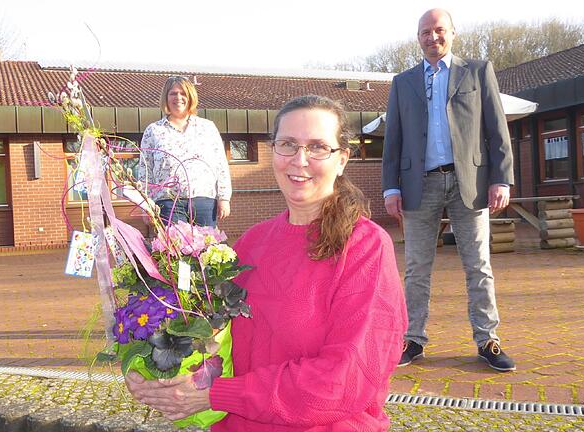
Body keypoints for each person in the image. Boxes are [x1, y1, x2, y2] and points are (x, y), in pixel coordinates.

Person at [126, 95, 408, 431]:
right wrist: (153, 371)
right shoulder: (251, 244)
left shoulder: (365, 247)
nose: (299, 160)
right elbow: (208, 337)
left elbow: (345, 379)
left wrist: (217, 395)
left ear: (342, 159)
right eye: (288, 144)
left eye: (317, 147)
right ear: (273, 150)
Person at [381, 8, 516, 372]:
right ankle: (412, 339)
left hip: (468, 183)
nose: (432, 37)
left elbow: (496, 130)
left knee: (479, 265)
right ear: (418, 37)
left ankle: (487, 339)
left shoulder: (478, 71)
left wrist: (500, 178)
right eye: (425, 31)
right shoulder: (402, 82)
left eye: (439, 30)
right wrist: (390, 188)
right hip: (417, 185)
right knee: (416, 267)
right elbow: (392, 141)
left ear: (453, 33)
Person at [138, 76, 232, 227]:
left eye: (183, 93)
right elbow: (145, 171)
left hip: (204, 203)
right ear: (166, 98)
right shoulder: (153, 131)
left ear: (190, 97)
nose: (178, 98)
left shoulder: (207, 128)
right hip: (168, 204)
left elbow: (221, 164)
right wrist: (145, 204)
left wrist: (224, 197)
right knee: (173, 250)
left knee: (208, 249)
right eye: (173, 93)